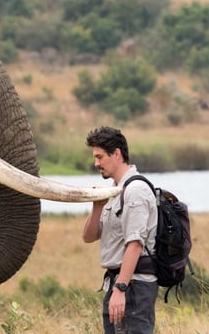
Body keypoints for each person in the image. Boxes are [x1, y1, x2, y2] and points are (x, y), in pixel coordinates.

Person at [82, 126, 158, 334]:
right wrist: (98, 206)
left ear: (116, 154)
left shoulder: (135, 191)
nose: (96, 163)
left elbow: (135, 244)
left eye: (100, 157)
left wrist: (121, 289)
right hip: (118, 283)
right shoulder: (115, 191)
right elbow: (88, 237)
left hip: (133, 287)